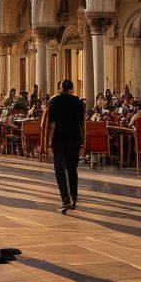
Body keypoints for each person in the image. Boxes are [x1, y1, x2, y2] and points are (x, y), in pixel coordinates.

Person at [46, 78, 85, 214]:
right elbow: (82, 124)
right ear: (72, 89)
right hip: (74, 139)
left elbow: (51, 124)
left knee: (59, 169)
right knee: (72, 169)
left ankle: (65, 199)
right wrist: (83, 142)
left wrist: (49, 140)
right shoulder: (79, 102)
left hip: (59, 139)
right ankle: (74, 198)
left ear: (60, 88)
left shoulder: (55, 101)